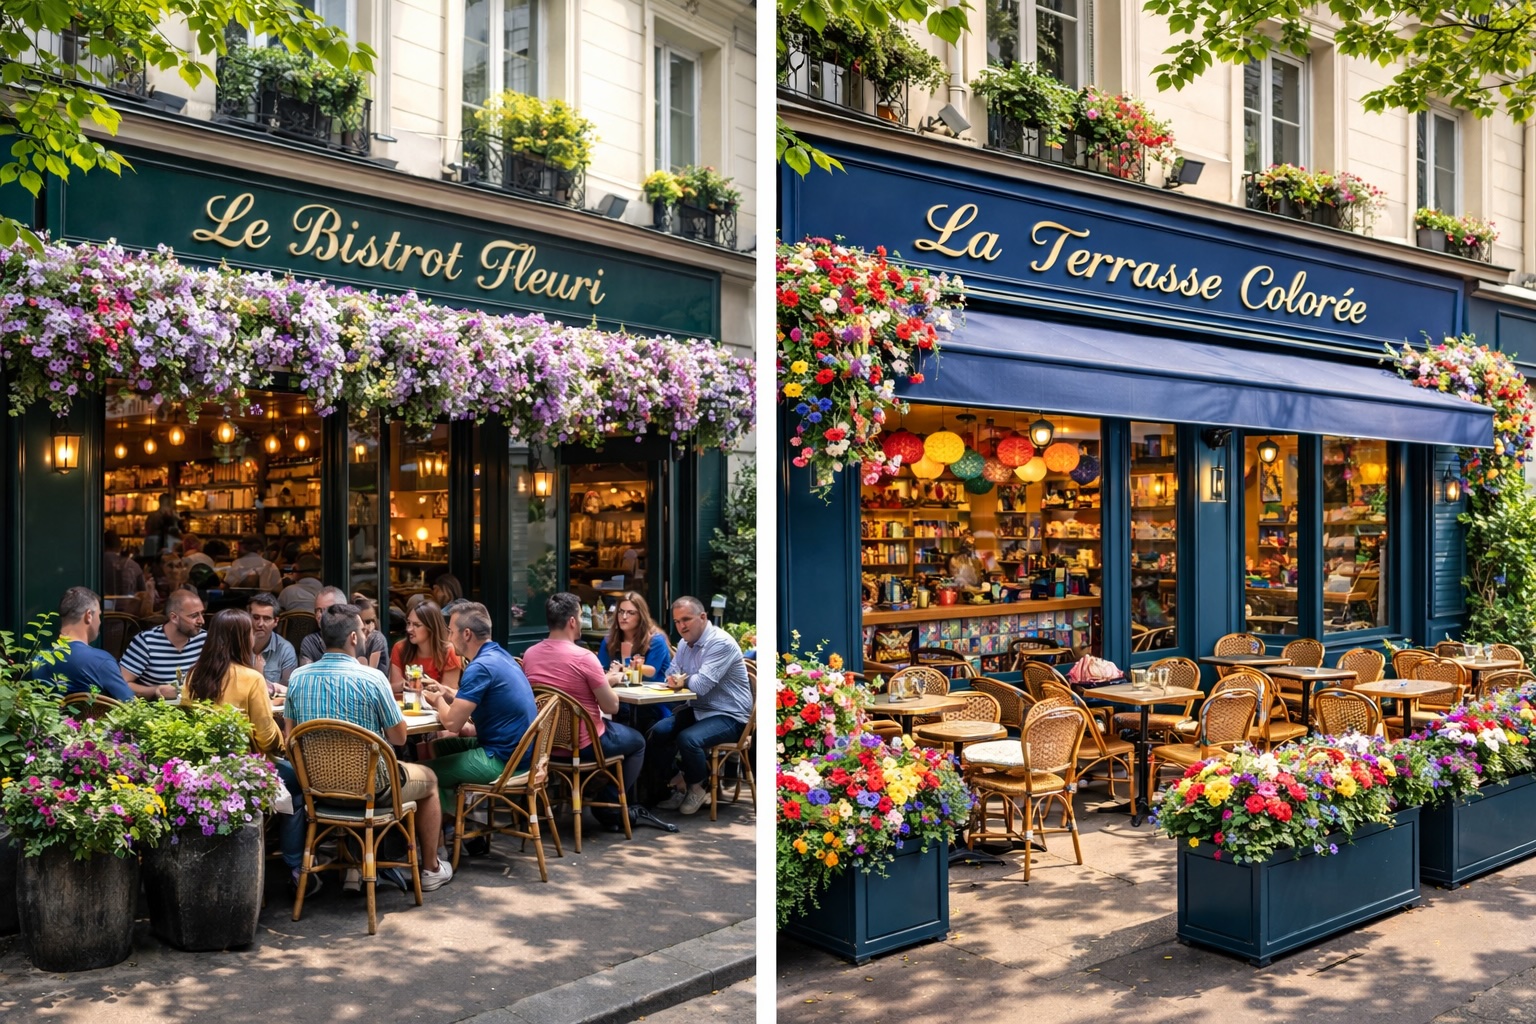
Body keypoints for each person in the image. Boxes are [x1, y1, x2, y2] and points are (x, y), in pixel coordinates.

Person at [284, 603, 452, 891]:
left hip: (316, 788)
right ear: (352, 637)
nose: (365, 634)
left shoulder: (298, 678)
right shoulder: (373, 679)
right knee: (431, 780)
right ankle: (431, 869)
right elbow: (399, 738)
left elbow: (290, 739)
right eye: (362, 630)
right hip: (372, 789)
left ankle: (354, 865)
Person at [523, 592, 646, 830]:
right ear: (572, 621)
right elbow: (611, 707)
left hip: (546, 744)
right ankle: (608, 805)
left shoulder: (530, 654)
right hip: (584, 745)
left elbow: (559, 689)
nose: (581, 621)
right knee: (638, 741)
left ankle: (588, 793)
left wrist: (604, 680)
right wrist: (608, 681)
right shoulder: (584, 657)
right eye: (581, 616)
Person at [421, 602, 538, 818]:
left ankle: (440, 832)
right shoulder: (499, 655)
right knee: (438, 747)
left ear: (466, 634)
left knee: (425, 773)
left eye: (450, 631)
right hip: (519, 754)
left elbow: (452, 723)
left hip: (503, 761)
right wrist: (446, 691)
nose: (448, 637)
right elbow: (478, 697)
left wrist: (437, 700)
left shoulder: (479, 667)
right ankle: (455, 817)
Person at [650, 595, 752, 815]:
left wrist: (682, 679)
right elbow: (670, 673)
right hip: (700, 709)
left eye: (686, 619)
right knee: (658, 732)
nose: (681, 626)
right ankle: (679, 781)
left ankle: (698, 787)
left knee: (688, 739)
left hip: (731, 714)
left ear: (703, 617)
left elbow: (700, 686)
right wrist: (681, 678)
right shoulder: (684, 644)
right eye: (677, 621)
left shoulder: (720, 643)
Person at [183, 609, 282, 758]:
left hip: (203, 760)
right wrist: (281, 740)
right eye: (251, 633)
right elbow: (266, 738)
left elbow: (187, 720)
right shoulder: (253, 679)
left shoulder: (193, 674)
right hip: (243, 763)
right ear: (243, 639)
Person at [32, 587, 136, 702]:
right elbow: (130, 705)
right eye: (99, 615)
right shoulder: (101, 661)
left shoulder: (39, 659)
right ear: (89, 615)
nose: (100, 621)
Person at [119, 588, 206, 699]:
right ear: (174, 617)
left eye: (202, 614)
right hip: (156, 708)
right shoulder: (146, 642)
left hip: (197, 706)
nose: (202, 621)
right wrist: (156, 691)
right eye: (194, 616)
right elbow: (121, 684)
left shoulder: (204, 639)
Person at [390, 601, 462, 698]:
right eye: (408, 623)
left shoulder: (449, 651)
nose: (409, 629)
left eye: (417, 625)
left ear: (431, 627)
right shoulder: (400, 648)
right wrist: (407, 684)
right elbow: (393, 688)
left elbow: (448, 694)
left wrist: (431, 687)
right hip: (407, 704)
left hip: (437, 705)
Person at [248, 592, 297, 691]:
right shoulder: (235, 644)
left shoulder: (285, 649)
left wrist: (260, 678)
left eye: (266, 618)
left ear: (276, 621)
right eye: (256, 617)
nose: (260, 624)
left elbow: (287, 690)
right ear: (248, 617)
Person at [297, 585, 349, 665]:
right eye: (317, 611)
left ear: (343, 611)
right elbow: (306, 671)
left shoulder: (354, 639)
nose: (319, 615)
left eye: (326, 610)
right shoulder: (311, 642)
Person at [102, 530, 150, 615]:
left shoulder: (94, 564)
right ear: (120, 547)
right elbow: (143, 594)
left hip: (101, 615)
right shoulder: (134, 565)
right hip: (129, 618)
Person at [353, 596, 390, 670]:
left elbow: (372, 670)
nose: (365, 626)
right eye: (361, 621)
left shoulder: (377, 638)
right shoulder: (351, 639)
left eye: (368, 621)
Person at [142, 493, 180, 559]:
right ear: (168, 505)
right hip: (161, 547)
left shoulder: (151, 515)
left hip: (148, 545)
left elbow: (146, 530)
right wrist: (176, 520)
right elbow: (175, 533)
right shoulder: (167, 517)